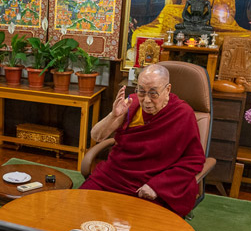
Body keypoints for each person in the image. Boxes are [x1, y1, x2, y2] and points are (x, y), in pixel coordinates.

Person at [79, 64, 205, 217]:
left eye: (153, 94)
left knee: (140, 228)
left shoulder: (183, 114)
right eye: (141, 92)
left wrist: (157, 186)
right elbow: (96, 136)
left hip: (150, 184)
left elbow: (194, 160)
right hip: (115, 176)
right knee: (81, 208)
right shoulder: (132, 105)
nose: (146, 100)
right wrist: (113, 115)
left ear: (167, 90)